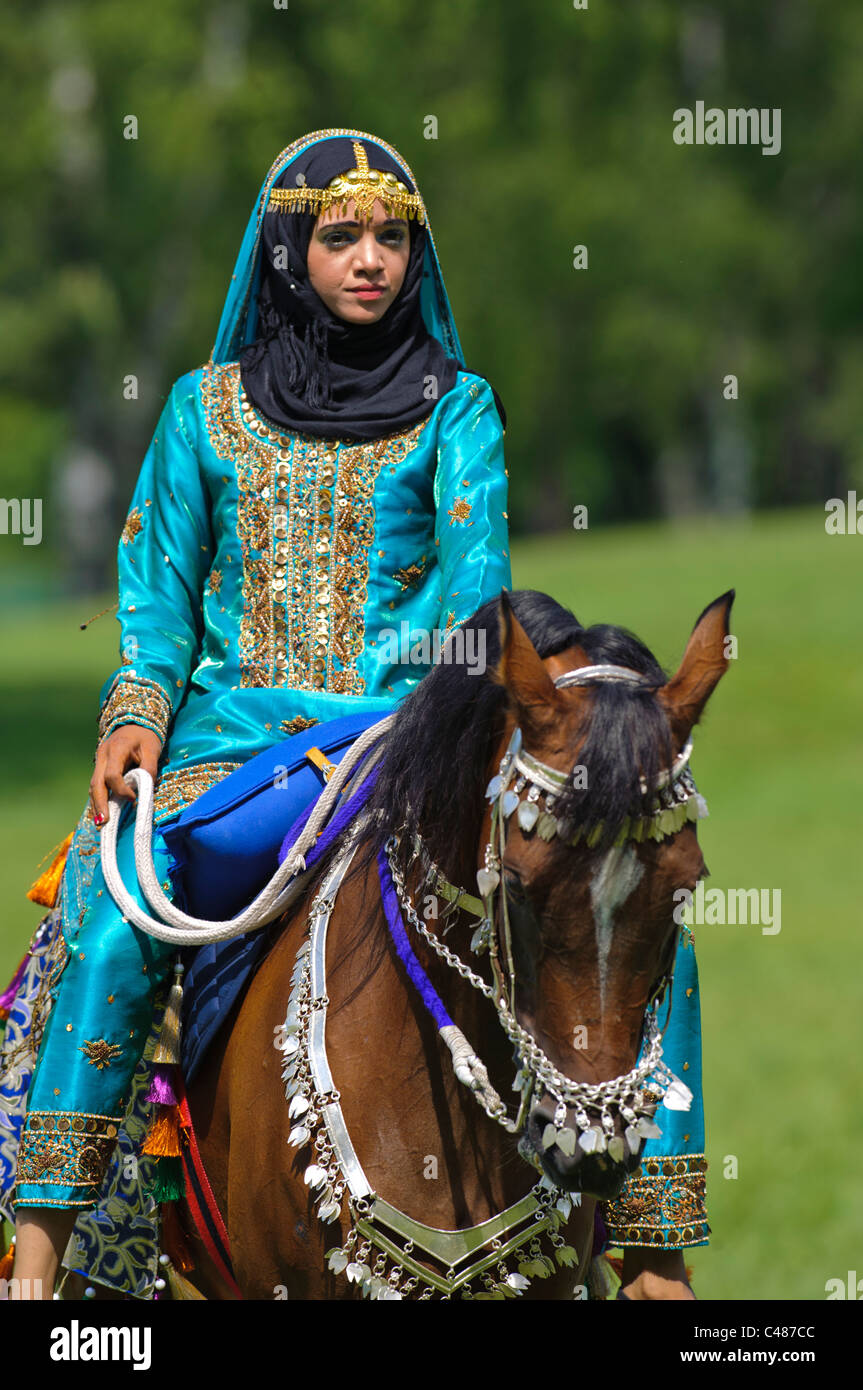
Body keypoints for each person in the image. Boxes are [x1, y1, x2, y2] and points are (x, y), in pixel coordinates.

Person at [1, 129, 512, 1297]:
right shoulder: (200, 411)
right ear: (288, 249)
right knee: (110, 892)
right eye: (340, 236)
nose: (370, 259)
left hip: (394, 750)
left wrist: (435, 725)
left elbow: (476, 600)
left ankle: (649, 1246)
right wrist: (133, 714)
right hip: (227, 763)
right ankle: (42, 1259)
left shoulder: (457, 409)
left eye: (393, 236)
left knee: (616, 865)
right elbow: (160, 606)